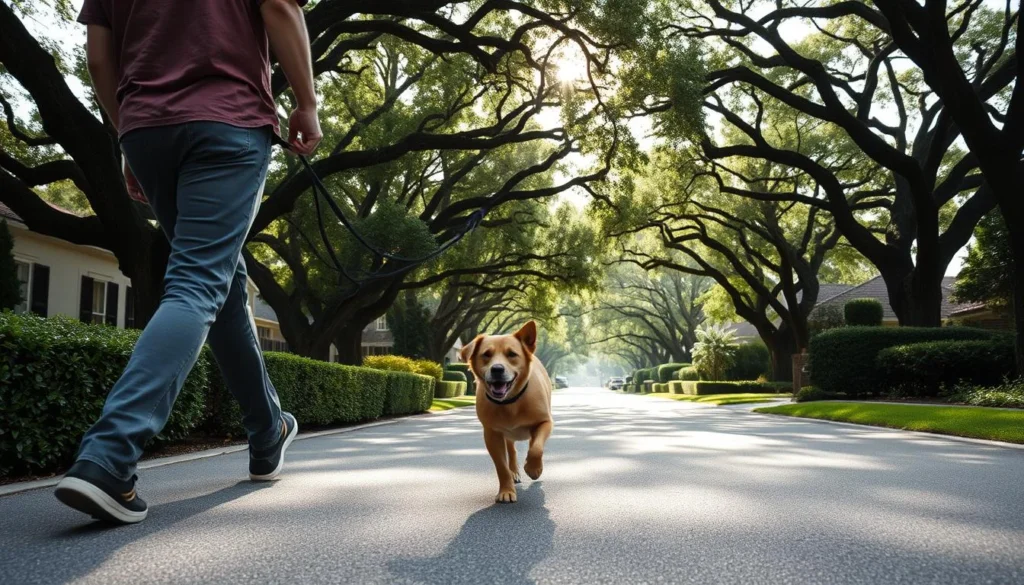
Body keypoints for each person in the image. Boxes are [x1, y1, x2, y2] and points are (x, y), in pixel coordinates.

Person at [54, 0, 323, 525]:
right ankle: (108, 456)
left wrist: (126, 134)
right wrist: (307, 102)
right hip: (228, 120)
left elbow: (99, 59)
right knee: (197, 283)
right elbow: (278, 6)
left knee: (222, 281)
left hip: (147, 130)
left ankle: (268, 430)